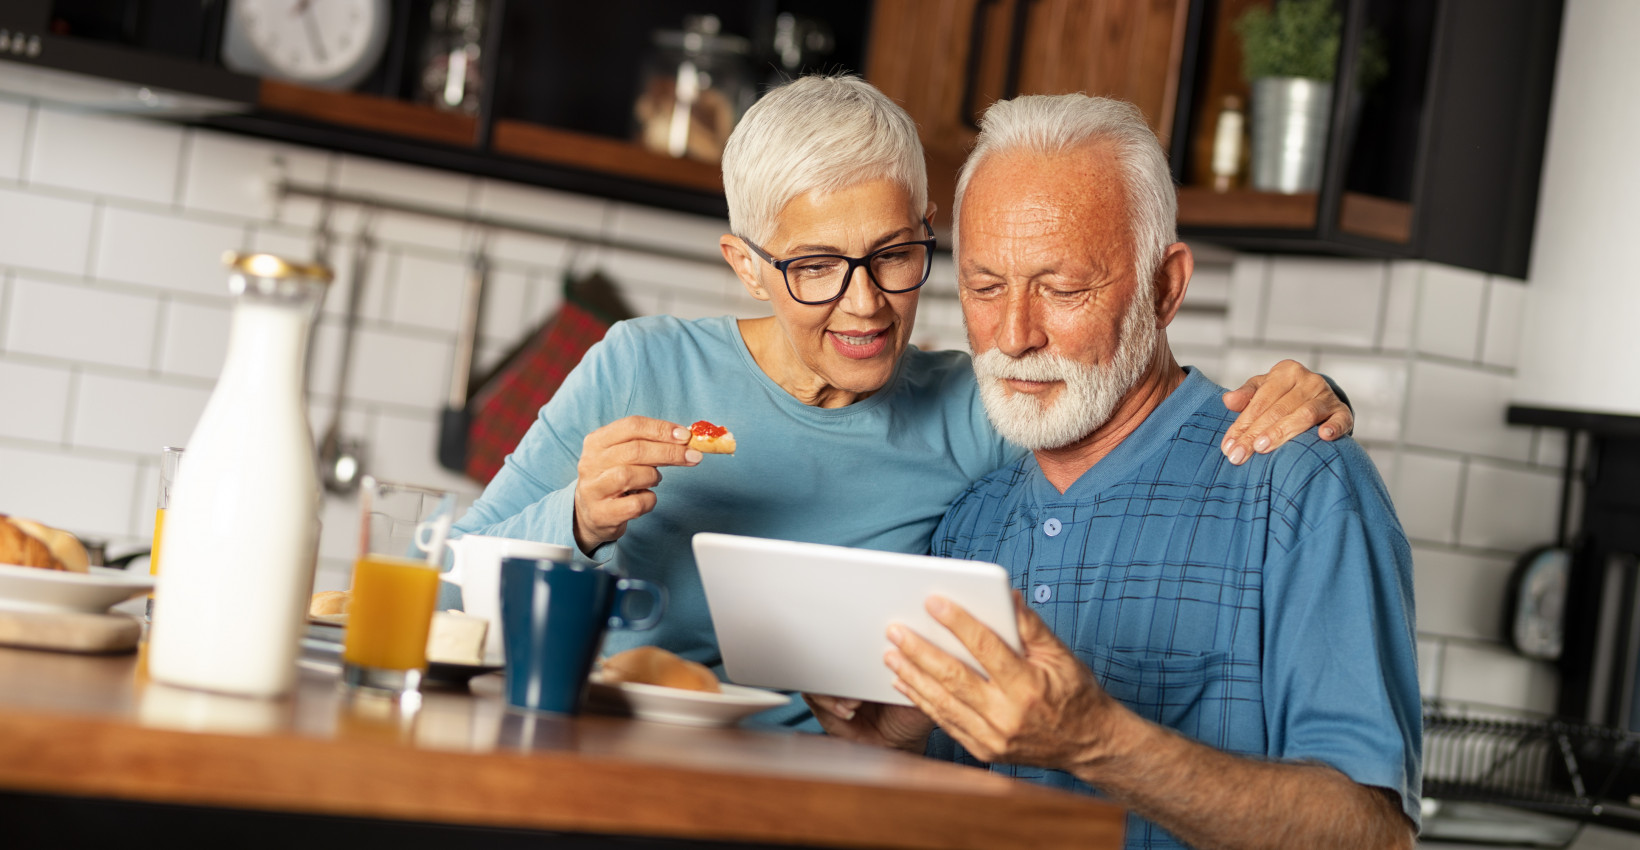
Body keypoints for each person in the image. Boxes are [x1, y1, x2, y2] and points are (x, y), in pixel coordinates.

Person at [451, 75, 1353, 729]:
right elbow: (455, 587)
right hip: (592, 763)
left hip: (825, 806)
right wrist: (572, 519)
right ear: (746, 266)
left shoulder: (975, 405)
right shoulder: (638, 367)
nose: (865, 304)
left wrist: (1309, 397)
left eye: (893, 253)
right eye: (813, 268)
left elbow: (1121, 392)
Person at [807, 93, 1420, 850]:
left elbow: (1374, 836)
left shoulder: (1296, 487)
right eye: (984, 286)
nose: (1014, 336)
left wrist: (1097, 741)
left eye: (1062, 290)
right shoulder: (968, 520)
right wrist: (894, 747)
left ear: (1165, 289)